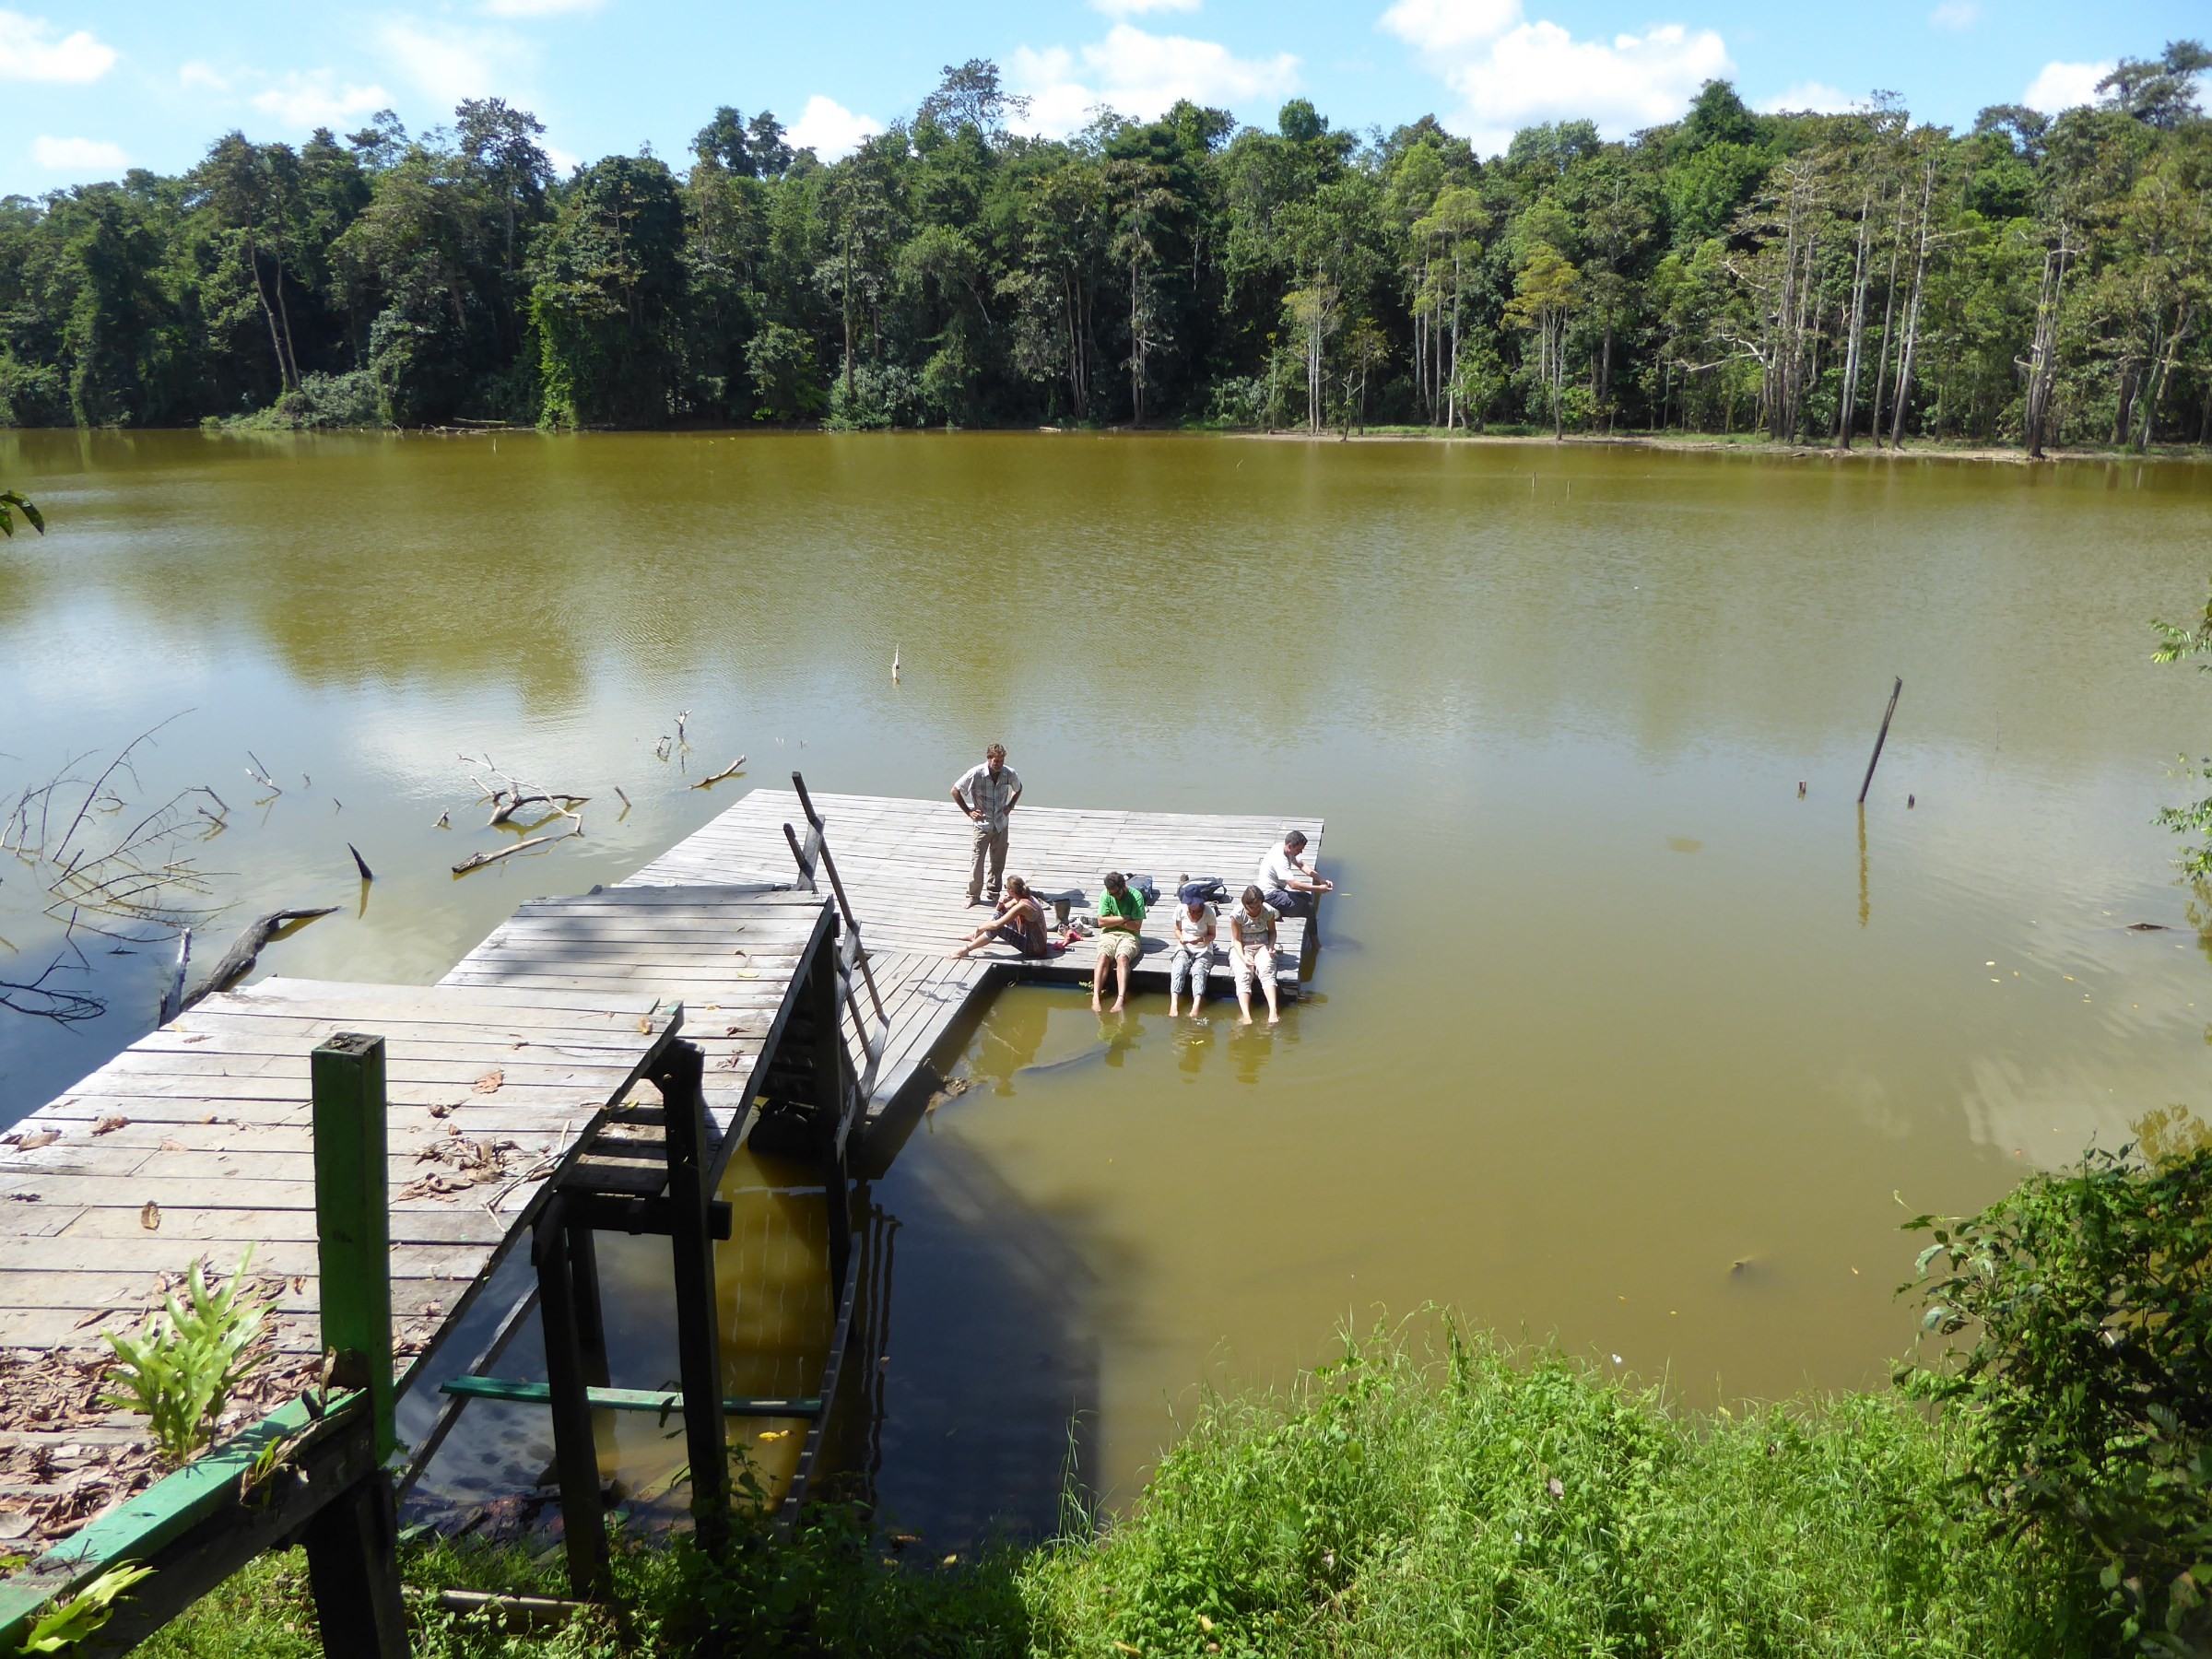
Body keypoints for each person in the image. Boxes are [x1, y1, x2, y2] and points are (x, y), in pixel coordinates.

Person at [950, 744, 1022, 907]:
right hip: (982, 824)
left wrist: (1010, 805)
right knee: (977, 861)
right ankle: (973, 896)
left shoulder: (1009, 773)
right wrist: (968, 812)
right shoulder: (976, 773)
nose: (999, 764)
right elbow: (955, 790)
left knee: (998, 861)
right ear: (989, 758)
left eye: (1001, 761)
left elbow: (1018, 788)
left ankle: (994, 892)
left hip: (1001, 824)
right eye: (996, 761)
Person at [948, 876, 1047, 960]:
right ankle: (973, 935)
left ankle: (965, 950)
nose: (1005, 889)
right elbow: (999, 912)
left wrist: (981, 928)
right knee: (999, 915)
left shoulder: (1023, 906)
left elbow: (997, 924)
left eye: (1006, 887)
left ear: (1011, 891)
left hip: (1035, 948)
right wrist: (1001, 903)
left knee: (998, 928)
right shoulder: (1025, 897)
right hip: (1036, 939)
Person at [1091, 869, 1146, 1015]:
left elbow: (1136, 926)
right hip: (1108, 934)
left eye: (1117, 893)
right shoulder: (1106, 894)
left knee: (1122, 958)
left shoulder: (1136, 896)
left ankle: (1120, 998)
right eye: (1111, 894)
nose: (1114, 896)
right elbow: (1101, 922)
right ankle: (1096, 997)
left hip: (1130, 935)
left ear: (1123, 887)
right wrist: (1124, 918)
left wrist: (1113, 919)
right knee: (1103, 956)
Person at [1227, 884, 1281, 1025]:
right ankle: (1246, 1014)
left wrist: (1271, 946)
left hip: (1262, 944)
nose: (1255, 910)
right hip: (1243, 946)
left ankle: (1273, 1010)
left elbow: (1272, 932)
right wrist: (1244, 958)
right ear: (1245, 905)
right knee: (1243, 973)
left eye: (1258, 906)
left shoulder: (1268, 911)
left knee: (1267, 969)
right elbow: (1236, 939)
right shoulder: (1237, 914)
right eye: (1252, 907)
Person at [1256, 828, 1332, 919]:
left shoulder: (1283, 847)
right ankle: (1269, 910)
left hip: (1278, 889)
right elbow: (1293, 885)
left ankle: (1276, 910)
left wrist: (1320, 879)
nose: (1301, 852)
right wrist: (1318, 889)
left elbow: (1302, 865)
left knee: (1307, 897)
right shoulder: (1280, 859)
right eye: (1299, 849)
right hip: (1269, 895)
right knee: (1308, 908)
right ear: (1290, 846)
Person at [1166, 892, 1215, 1017]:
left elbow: (1212, 935)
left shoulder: (1209, 912)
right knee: (1179, 967)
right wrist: (1181, 938)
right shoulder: (1180, 908)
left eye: (1196, 909)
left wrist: (1200, 939)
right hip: (1184, 947)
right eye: (1191, 908)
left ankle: (1195, 1007)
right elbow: (1177, 929)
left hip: (1203, 949)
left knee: (1199, 971)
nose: (1193, 912)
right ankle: (1174, 1004)